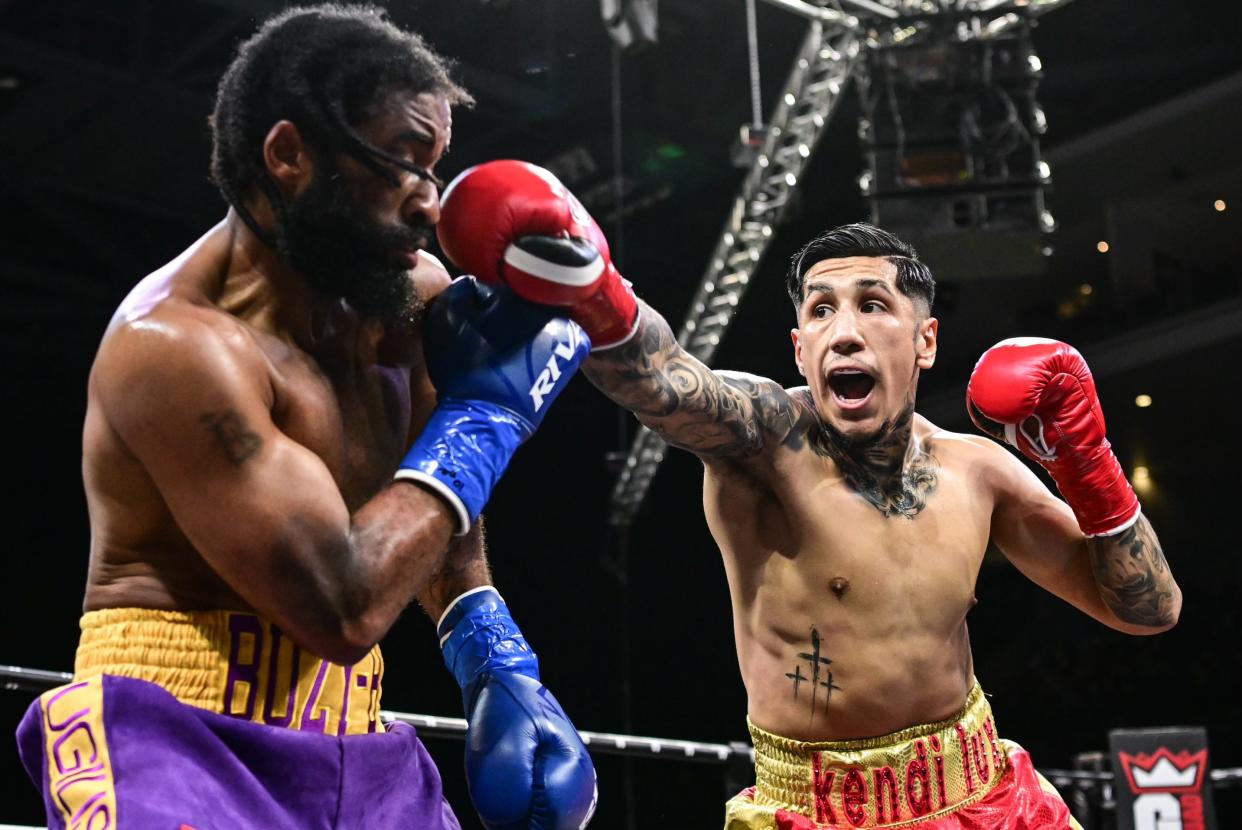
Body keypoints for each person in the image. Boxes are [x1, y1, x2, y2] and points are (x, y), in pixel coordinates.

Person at [434, 160, 1182, 829]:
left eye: (873, 305)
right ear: (799, 347)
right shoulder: (767, 440)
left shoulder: (977, 470)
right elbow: (661, 380)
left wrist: (1088, 464)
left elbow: (1146, 611)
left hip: (984, 795)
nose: (843, 332)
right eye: (821, 310)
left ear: (924, 341)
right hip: (813, 813)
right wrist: (594, 288)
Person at [16, 10, 597, 830]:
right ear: (289, 155)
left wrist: (488, 645)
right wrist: (486, 417)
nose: (429, 205)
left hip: (354, 737)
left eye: (436, 169)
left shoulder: (405, 298)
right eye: (402, 163)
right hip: (172, 737)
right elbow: (343, 606)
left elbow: (429, 494)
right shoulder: (177, 349)